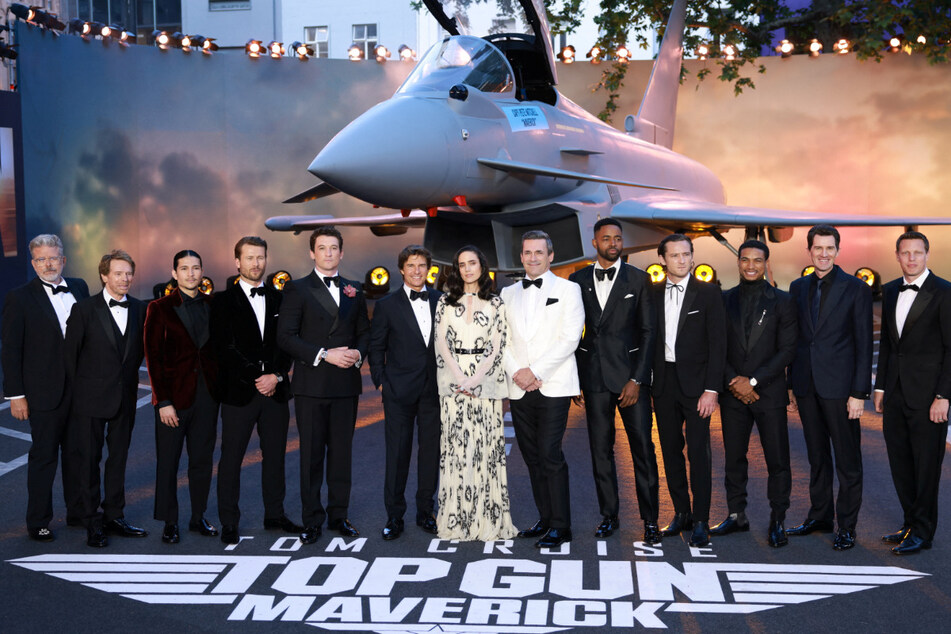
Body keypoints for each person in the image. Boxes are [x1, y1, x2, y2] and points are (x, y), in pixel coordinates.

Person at [568, 219, 660, 543]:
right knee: (600, 452)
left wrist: (637, 379)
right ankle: (610, 516)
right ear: (594, 243)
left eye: (618, 238)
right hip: (593, 378)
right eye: (606, 238)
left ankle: (650, 520)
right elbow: (572, 332)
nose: (612, 242)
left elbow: (649, 333)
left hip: (630, 380)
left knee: (643, 452)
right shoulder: (576, 280)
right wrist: (574, 377)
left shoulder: (640, 278)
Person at [277, 226, 370, 544]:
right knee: (312, 456)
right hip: (312, 384)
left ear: (342, 253)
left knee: (342, 455)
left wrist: (358, 353)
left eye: (334, 248)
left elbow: (364, 331)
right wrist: (324, 354)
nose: (329, 253)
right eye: (323, 248)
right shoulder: (297, 289)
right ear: (312, 253)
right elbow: (285, 336)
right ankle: (312, 520)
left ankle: (338, 516)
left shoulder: (354, 289)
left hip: (346, 384)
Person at [787, 224, 872, 551]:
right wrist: (791, 384)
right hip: (807, 386)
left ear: (838, 251)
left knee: (848, 461)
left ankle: (846, 526)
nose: (823, 254)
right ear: (809, 250)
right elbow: (796, 341)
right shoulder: (797, 287)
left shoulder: (856, 289)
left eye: (829, 248)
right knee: (817, 456)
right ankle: (820, 515)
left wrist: (858, 393)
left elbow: (864, 345)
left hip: (841, 390)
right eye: (817, 248)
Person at [213, 236, 301, 545]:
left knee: (276, 456)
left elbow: (288, 342)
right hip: (240, 392)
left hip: (275, 391)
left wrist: (276, 375)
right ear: (237, 262)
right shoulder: (221, 301)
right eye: (249, 258)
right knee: (231, 459)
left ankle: (274, 515)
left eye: (260, 257)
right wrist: (259, 377)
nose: (255, 263)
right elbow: (225, 349)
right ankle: (229, 521)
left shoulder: (281, 298)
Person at [2, 234, 89, 542]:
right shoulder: (20, 297)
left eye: (53, 258)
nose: (48, 264)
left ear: (63, 259)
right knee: (44, 457)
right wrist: (16, 395)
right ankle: (38, 521)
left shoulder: (79, 287)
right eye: (41, 259)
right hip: (42, 393)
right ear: (33, 262)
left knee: (78, 455)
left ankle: (79, 512)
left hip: (80, 392)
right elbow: (11, 350)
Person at [502, 230, 584, 548]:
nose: (533, 258)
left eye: (539, 252)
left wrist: (535, 372)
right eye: (527, 252)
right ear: (521, 257)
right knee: (531, 456)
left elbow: (570, 338)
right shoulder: (508, 294)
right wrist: (518, 373)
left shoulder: (568, 289)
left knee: (550, 453)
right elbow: (502, 339)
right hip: (519, 386)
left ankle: (561, 526)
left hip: (554, 384)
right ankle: (546, 518)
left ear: (551, 256)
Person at [711, 240, 796, 548]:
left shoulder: (783, 301)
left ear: (765, 264)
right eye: (745, 259)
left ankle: (778, 520)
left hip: (769, 394)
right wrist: (734, 379)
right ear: (738, 262)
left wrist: (754, 382)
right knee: (734, 458)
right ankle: (736, 515)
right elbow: (716, 347)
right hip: (732, 393)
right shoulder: (723, 299)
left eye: (757, 261)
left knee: (778, 460)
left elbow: (787, 349)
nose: (750, 265)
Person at [873, 231, 951, 555]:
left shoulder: (945, 292)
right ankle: (909, 524)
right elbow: (890, 346)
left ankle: (922, 531)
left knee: (926, 468)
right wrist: (879, 386)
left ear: (927, 255)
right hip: (894, 395)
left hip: (928, 398)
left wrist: (943, 396)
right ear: (897, 256)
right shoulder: (890, 290)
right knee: (901, 464)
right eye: (905, 253)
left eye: (917, 253)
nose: (911, 259)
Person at [432, 245, 516, 541]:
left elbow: (497, 345)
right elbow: (440, 342)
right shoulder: (444, 301)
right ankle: (456, 519)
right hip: (453, 384)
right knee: (456, 451)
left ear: (482, 266)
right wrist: (459, 377)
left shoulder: (496, 303)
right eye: (461, 264)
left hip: (485, 384)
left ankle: (488, 519)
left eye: (472, 263)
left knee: (485, 451)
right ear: (456, 269)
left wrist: (475, 379)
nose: (467, 269)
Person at [65, 250, 147, 548]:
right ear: (104, 275)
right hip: (88, 401)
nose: (125, 279)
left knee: (119, 460)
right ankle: (91, 521)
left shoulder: (140, 309)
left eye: (128, 273)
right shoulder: (84, 310)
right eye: (118, 273)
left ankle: (115, 515)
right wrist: (77, 398)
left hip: (124, 399)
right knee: (88, 461)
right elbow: (70, 359)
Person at [652, 233, 726, 548]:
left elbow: (718, 344)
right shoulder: (651, 293)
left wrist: (712, 389)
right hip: (664, 384)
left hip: (697, 387)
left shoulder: (709, 293)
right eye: (675, 256)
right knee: (669, 452)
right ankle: (680, 512)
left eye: (686, 254)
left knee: (699, 454)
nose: (682, 260)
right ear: (663, 260)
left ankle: (700, 520)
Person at [144, 250, 219, 544]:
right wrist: (163, 401)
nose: (191, 273)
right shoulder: (159, 308)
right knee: (168, 462)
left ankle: (198, 516)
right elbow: (153, 357)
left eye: (196, 268)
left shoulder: (214, 305)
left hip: (208, 397)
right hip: (172, 399)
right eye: (184, 268)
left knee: (202, 460)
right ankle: (169, 521)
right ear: (174, 273)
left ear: (202, 272)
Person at [368, 245, 442, 540]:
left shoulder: (441, 300)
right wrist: (381, 380)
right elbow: (376, 347)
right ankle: (394, 516)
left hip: (434, 391)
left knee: (430, 454)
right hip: (398, 391)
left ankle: (426, 512)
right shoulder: (387, 305)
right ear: (401, 269)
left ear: (428, 269)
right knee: (397, 454)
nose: (416, 271)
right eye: (410, 265)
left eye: (421, 265)